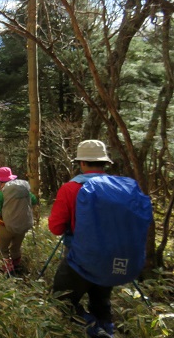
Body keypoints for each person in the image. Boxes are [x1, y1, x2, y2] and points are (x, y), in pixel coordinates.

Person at [48, 139, 115, 338]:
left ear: (82, 163)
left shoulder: (70, 189)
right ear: (105, 163)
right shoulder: (118, 187)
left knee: (62, 300)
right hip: (111, 255)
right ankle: (105, 330)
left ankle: (90, 326)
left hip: (79, 256)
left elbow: (55, 227)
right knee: (102, 300)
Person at [0, 166, 38, 275]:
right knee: (16, 248)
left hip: (4, 227)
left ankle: (8, 270)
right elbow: (34, 200)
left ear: (0, 181)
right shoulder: (24, 191)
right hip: (21, 227)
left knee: (2, 249)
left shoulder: (0, 194)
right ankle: (17, 266)